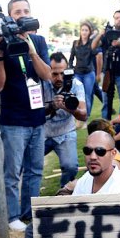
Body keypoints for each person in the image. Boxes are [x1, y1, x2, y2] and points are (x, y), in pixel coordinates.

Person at [0, 0, 52, 231]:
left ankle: (30, 212)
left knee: (35, 169)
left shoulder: (38, 39)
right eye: (17, 11)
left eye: (26, 10)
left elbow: (47, 75)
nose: (22, 14)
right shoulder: (1, 42)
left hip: (37, 117)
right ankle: (13, 216)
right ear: (9, 16)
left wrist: (31, 50)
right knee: (12, 173)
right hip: (13, 119)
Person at [44, 52, 87, 187]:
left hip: (65, 132)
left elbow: (84, 114)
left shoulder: (76, 84)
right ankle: (30, 200)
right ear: (48, 71)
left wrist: (68, 107)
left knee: (71, 167)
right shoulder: (42, 83)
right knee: (31, 167)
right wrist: (52, 106)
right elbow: (33, 114)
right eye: (54, 74)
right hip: (42, 133)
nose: (59, 78)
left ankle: (64, 192)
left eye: (62, 73)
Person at [92, 10, 120, 120]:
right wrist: (100, 34)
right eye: (117, 18)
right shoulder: (107, 34)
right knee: (106, 101)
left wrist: (119, 44)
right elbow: (93, 46)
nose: (119, 19)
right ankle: (105, 125)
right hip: (108, 71)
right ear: (113, 19)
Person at [68, 20, 98, 116]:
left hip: (89, 73)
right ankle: (78, 114)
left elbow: (96, 54)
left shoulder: (91, 43)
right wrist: (70, 68)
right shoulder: (75, 43)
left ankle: (86, 115)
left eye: (86, 30)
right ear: (80, 31)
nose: (84, 32)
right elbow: (71, 58)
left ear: (89, 32)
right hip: (78, 73)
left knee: (87, 95)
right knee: (78, 95)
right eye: (82, 30)